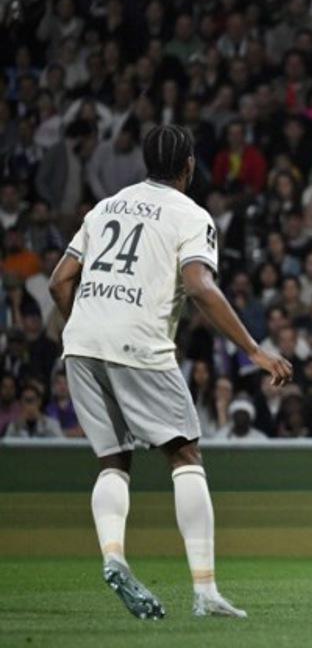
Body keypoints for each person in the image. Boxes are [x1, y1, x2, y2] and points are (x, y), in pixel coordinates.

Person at [48, 124, 292, 620]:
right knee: (185, 454)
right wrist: (254, 351)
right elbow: (200, 285)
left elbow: (58, 282)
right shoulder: (190, 215)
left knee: (113, 461)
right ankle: (205, 591)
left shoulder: (105, 206)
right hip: (139, 342)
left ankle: (114, 555)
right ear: (188, 166)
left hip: (82, 343)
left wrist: (87, 326)